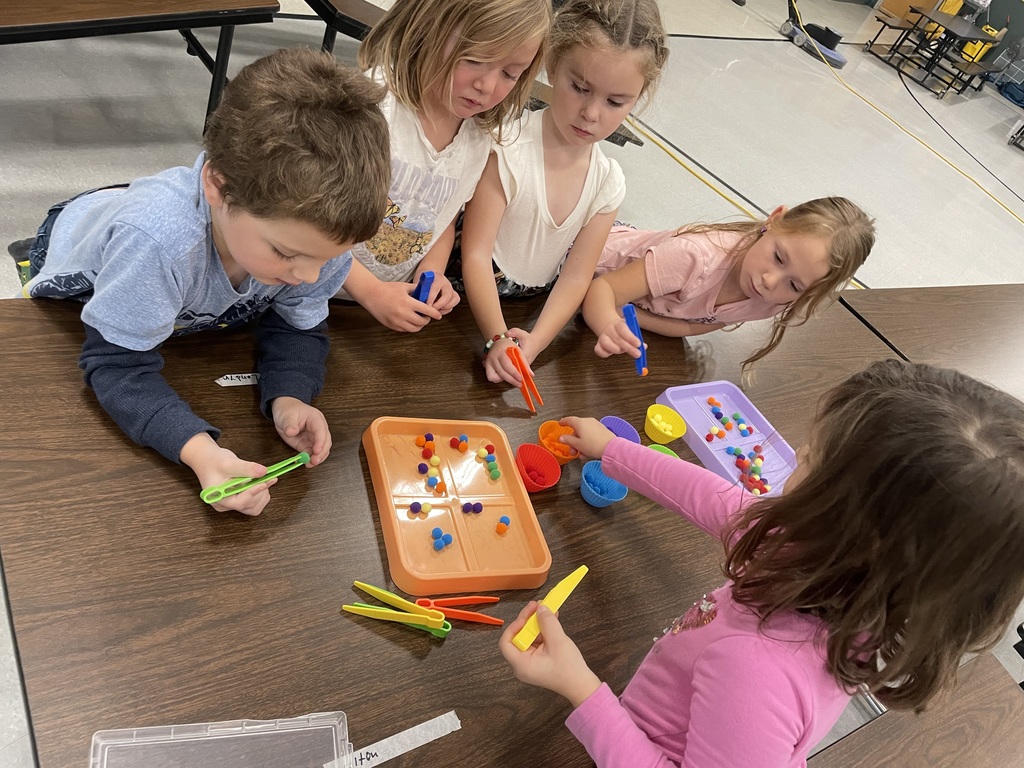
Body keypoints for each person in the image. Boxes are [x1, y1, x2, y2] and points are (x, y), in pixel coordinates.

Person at [500, 359, 1024, 766]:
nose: (797, 452)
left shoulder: (756, 671)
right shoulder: (845, 571)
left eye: (814, 459)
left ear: (852, 531)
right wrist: (613, 451)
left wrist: (580, 687)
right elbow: (719, 502)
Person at [21, 48, 391, 516]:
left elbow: (298, 324)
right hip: (82, 248)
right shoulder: (156, 243)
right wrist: (201, 452)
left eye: (328, 259)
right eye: (285, 253)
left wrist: (290, 395)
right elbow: (115, 366)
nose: (310, 276)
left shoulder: (315, 243)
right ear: (217, 185)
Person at [455, 0, 667, 385]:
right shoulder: (506, 146)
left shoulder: (607, 182)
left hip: (534, 309)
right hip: (465, 304)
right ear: (552, 64)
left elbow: (574, 277)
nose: (591, 113)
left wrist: (533, 344)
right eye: (579, 88)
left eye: (615, 102)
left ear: (638, 96)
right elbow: (475, 255)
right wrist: (498, 337)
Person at [335, 0, 552, 333]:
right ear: (428, 27)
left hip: (383, 310)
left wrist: (432, 273)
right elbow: (308, 224)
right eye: (476, 59)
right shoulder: (373, 108)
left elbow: (442, 218)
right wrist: (371, 291)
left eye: (510, 73)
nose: (488, 86)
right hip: (312, 292)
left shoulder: (478, 137)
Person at [583, 197, 875, 370]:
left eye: (795, 286)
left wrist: (626, 317)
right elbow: (602, 289)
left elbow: (690, 325)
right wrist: (609, 321)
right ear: (774, 219)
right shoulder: (695, 257)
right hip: (580, 261)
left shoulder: (770, 301)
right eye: (778, 257)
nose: (770, 282)